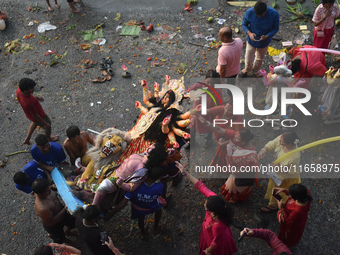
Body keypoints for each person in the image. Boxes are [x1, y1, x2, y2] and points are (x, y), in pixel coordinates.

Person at [177, 162, 237, 255]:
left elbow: (216, 241)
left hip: (214, 240)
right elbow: (201, 186)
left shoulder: (218, 225)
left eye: (206, 207)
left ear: (213, 212)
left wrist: (208, 250)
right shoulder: (214, 199)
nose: (204, 205)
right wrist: (185, 173)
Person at [199, 116, 258, 203]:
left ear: (244, 142)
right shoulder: (237, 135)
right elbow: (220, 130)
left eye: (237, 138)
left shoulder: (251, 155)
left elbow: (249, 169)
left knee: (238, 188)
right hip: (233, 171)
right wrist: (206, 123)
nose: (234, 138)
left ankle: (237, 199)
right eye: (236, 136)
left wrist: (235, 172)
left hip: (239, 175)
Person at [92, 143, 168, 208]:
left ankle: (93, 206)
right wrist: (168, 151)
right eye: (151, 145)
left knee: (102, 187)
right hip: (113, 172)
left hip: (116, 180)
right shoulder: (144, 154)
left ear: (154, 154)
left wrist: (121, 184)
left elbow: (133, 187)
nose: (149, 147)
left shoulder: (142, 170)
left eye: (152, 148)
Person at [106, 165, 167, 240]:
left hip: (138, 209)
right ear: (159, 178)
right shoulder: (160, 186)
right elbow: (161, 194)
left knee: (140, 220)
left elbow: (123, 204)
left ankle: (143, 232)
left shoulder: (134, 187)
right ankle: (155, 228)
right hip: (152, 207)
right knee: (159, 209)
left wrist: (110, 215)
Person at [258, 132, 301, 213]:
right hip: (277, 173)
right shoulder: (283, 138)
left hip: (285, 179)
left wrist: (278, 167)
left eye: (282, 141)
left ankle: (275, 205)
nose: (279, 141)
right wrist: (263, 150)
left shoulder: (295, 156)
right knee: (274, 188)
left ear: (289, 144)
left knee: (280, 192)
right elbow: (273, 143)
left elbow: (292, 171)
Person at [239, 1, 279, 77]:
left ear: (265, 11)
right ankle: (247, 69)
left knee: (259, 58)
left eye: (261, 15)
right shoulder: (249, 12)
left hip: (264, 41)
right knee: (248, 57)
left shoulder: (274, 14)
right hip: (251, 40)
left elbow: (275, 28)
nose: (259, 17)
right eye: (257, 15)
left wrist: (267, 36)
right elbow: (244, 24)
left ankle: (256, 71)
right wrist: (249, 33)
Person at [32, 178, 77, 244]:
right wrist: (64, 210)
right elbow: (52, 221)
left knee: (73, 223)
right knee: (60, 238)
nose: (50, 190)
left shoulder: (45, 190)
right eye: (47, 190)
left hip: (61, 212)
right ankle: (66, 241)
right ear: (40, 194)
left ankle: (67, 232)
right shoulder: (42, 208)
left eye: (49, 187)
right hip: (53, 225)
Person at [16, 78, 59, 145]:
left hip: (30, 115)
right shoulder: (29, 102)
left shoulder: (19, 90)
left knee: (35, 122)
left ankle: (27, 139)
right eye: (31, 89)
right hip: (39, 115)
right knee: (48, 126)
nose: (33, 89)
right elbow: (36, 115)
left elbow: (28, 97)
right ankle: (49, 139)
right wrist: (45, 123)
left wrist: (35, 98)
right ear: (25, 90)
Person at [187, 68, 223, 146]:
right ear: (205, 80)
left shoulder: (217, 91)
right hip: (196, 112)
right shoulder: (198, 86)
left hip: (209, 115)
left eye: (212, 83)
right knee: (192, 128)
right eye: (208, 82)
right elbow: (189, 92)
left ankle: (208, 141)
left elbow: (220, 105)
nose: (210, 85)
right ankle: (191, 141)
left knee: (208, 130)